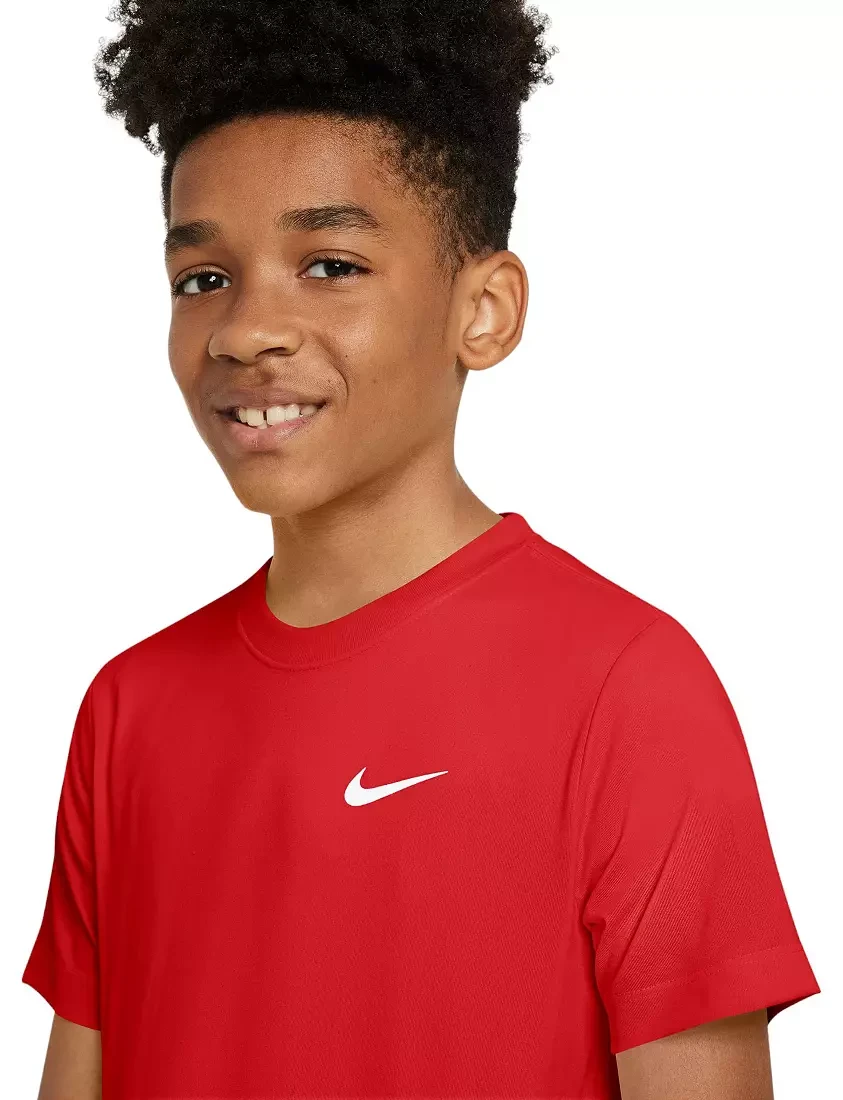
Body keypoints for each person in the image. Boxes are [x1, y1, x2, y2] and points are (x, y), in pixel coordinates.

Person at [22, 2, 820, 1098]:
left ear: (483, 311)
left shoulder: (627, 691)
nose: (246, 330)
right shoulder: (128, 710)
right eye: (204, 278)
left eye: (330, 264)